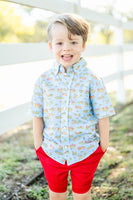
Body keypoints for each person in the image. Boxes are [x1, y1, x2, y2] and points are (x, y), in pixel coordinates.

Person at [31, 13, 115, 200]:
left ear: (83, 45)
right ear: (51, 46)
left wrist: (103, 145)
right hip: (52, 151)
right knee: (56, 195)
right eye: (60, 43)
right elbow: (37, 114)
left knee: (82, 195)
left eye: (74, 42)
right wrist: (39, 146)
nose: (66, 48)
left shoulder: (92, 80)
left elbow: (103, 114)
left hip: (85, 152)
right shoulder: (43, 81)